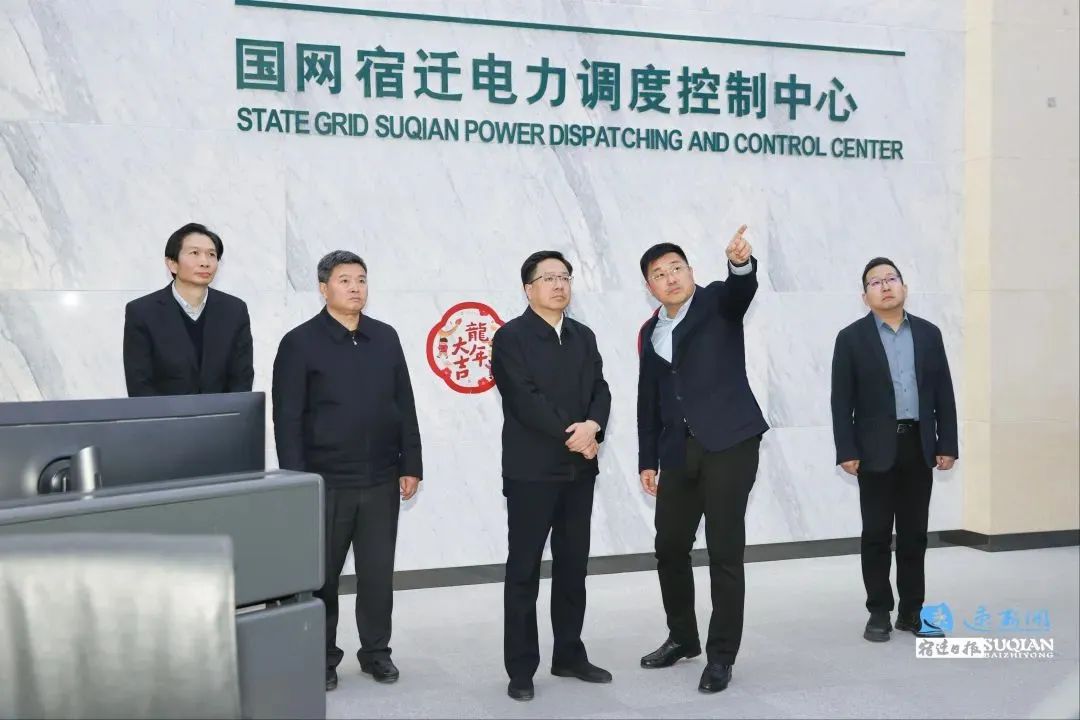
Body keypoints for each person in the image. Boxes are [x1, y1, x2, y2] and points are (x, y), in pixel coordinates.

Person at [272, 250, 422, 691]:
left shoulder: (385, 337)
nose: (355, 287)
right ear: (324, 288)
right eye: (344, 280)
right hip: (326, 480)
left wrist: (411, 463)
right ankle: (321, 657)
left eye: (361, 279)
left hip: (380, 478)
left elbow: (404, 403)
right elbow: (287, 419)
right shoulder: (300, 342)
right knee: (323, 578)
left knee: (377, 575)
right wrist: (299, 481)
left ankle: (376, 652)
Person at [636, 225, 768, 694]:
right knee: (670, 546)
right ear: (649, 286)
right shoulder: (649, 331)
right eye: (659, 274)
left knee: (724, 550)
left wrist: (740, 264)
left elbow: (741, 290)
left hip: (729, 442)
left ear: (691, 272)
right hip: (677, 450)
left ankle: (721, 656)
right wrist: (647, 458)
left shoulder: (716, 302)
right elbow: (648, 399)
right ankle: (682, 637)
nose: (670, 278)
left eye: (677, 268)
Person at [491, 250, 612, 702]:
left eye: (565, 277)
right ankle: (521, 668)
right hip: (531, 472)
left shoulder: (583, 335)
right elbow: (524, 399)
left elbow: (600, 388)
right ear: (529, 289)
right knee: (524, 569)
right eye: (548, 278)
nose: (559, 285)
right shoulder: (510, 337)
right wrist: (575, 434)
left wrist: (593, 426)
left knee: (573, 565)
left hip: (579, 470)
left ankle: (569, 654)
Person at [830, 257, 957, 643]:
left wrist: (947, 443)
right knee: (876, 533)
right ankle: (879, 611)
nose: (885, 286)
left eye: (891, 279)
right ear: (864, 296)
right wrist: (846, 449)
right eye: (875, 282)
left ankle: (912, 612)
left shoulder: (929, 334)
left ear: (904, 287)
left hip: (919, 444)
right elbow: (841, 401)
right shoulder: (851, 339)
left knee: (915, 534)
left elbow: (944, 393)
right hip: (873, 450)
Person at [122, 222, 253, 396]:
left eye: (211, 255)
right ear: (172, 264)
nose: (205, 262)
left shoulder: (234, 311)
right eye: (195, 253)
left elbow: (242, 380)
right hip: (164, 413)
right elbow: (140, 385)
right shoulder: (142, 312)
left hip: (223, 413)